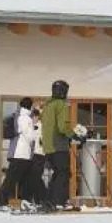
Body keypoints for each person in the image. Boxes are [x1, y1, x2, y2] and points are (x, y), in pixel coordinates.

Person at [38, 79, 75, 211]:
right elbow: (62, 127)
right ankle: (58, 201)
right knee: (63, 173)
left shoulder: (47, 105)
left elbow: (46, 125)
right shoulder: (61, 105)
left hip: (48, 146)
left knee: (57, 173)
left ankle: (50, 201)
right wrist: (73, 135)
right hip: (59, 145)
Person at [0, 97, 36, 211]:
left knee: (22, 179)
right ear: (30, 106)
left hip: (21, 153)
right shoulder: (25, 117)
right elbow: (30, 136)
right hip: (21, 153)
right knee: (12, 179)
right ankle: (0, 202)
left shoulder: (20, 115)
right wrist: (34, 131)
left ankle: (23, 201)